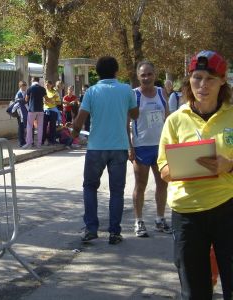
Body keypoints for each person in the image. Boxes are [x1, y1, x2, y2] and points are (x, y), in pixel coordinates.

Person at [157, 50, 233, 300]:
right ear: (189, 80)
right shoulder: (176, 120)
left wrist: (228, 165)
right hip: (187, 212)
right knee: (194, 292)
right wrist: (182, 167)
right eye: (197, 77)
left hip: (227, 207)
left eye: (210, 79)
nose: (203, 85)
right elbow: (164, 170)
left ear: (222, 80)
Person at [72, 56, 139, 245]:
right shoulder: (126, 90)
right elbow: (135, 114)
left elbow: (80, 119)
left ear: (98, 73)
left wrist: (75, 132)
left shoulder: (92, 91)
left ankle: (91, 229)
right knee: (117, 191)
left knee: (90, 187)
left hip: (95, 148)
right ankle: (114, 233)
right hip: (119, 147)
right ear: (117, 71)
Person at [129, 61, 171, 238]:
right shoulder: (134, 95)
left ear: (155, 75)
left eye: (149, 74)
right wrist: (129, 147)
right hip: (141, 147)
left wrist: (172, 144)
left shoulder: (162, 93)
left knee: (162, 184)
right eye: (143, 75)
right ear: (138, 76)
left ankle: (160, 219)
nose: (146, 78)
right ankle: (139, 222)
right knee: (141, 185)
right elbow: (126, 122)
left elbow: (168, 120)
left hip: (161, 147)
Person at [23, 77, 48, 149]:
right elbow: (46, 99)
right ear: (38, 81)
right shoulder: (42, 89)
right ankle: (39, 144)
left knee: (29, 126)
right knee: (40, 127)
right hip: (40, 110)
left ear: (32, 80)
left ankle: (29, 143)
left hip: (32, 110)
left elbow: (26, 99)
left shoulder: (30, 88)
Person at [43, 80, 61, 145]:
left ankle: (52, 140)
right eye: (46, 85)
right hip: (45, 110)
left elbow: (59, 102)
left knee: (52, 126)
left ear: (51, 85)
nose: (47, 86)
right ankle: (43, 140)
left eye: (48, 85)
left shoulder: (55, 92)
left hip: (53, 110)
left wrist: (53, 102)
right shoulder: (43, 92)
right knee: (44, 126)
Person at [14, 80, 28, 147]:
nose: (25, 86)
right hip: (20, 113)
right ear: (20, 86)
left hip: (25, 112)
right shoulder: (18, 94)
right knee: (21, 127)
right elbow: (19, 102)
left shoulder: (25, 92)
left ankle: (24, 141)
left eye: (25, 85)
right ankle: (21, 142)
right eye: (23, 85)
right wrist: (25, 100)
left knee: (24, 127)